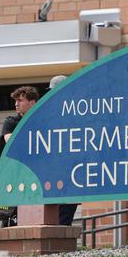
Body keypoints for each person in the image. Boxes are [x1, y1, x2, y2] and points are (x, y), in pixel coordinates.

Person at [0, 85, 40, 227]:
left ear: (32, 102)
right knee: (7, 218)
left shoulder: (41, 121)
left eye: (20, 100)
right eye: (16, 101)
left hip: (34, 174)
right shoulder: (11, 121)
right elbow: (11, 142)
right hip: (13, 176)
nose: (16, 104)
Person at [47, 75, 80, 226]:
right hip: (52, 178)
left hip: (70, 176)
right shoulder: (50, 113)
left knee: (63, 221)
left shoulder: (75, 111)